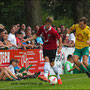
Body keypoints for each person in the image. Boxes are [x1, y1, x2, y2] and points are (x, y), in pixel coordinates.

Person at [23, 17, 62, 85]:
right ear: (45, 23)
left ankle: (58, 78)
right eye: (47, 24)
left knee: (52, 64)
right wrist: (26, 40)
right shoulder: (41, 28)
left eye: (49, 24)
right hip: (45, 47)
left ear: (51, 24)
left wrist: (60, 48)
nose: (48, 26)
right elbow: (35, 35)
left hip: (53, 47)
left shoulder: (53, 31)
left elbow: (60, 38)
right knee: (46, 59)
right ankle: (45, 76)